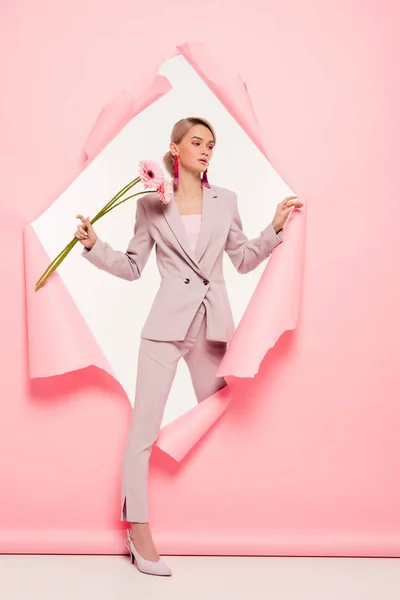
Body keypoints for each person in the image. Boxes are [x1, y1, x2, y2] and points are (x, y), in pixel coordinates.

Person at [74, 117, 303, 576]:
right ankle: (138, 530)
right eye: (197, 142)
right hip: (164, 327)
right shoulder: (150, 205)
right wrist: (96, 246)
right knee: (143, 432)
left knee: (228, 417)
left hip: (212, 327)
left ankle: (220, 514)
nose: (206, 150)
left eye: (211, 145)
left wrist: (274, 229)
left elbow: (241, 259)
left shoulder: (227, 201)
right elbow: (133, 266)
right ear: (174, 149)